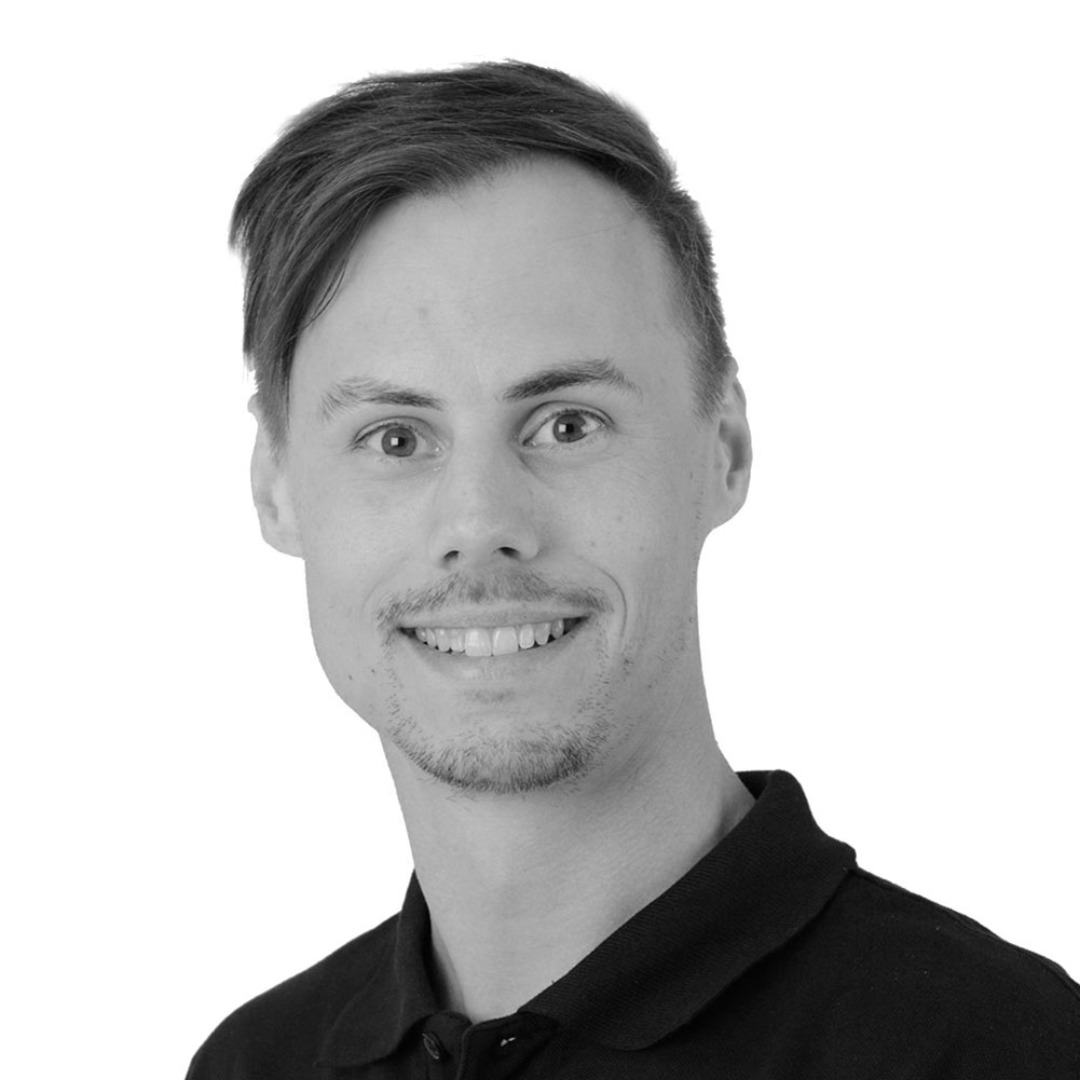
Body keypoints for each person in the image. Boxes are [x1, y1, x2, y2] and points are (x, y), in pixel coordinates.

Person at [186, 61, 1080, 1078]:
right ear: (275, 486)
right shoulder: (254, 1064)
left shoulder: (998, 1050)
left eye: (567, 424)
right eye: (395, 438)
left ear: (723, 448)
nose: (481, 523)